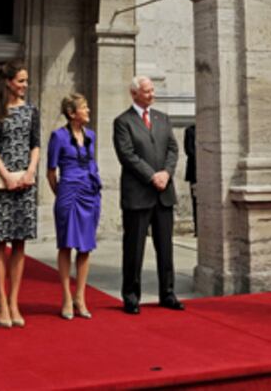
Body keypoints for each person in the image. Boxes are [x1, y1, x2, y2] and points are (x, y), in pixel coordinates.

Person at [113, 75, 184, 315]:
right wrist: (152, 176)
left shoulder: (163, 118)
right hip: (138, 194)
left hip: (163, 194)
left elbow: (173, 149)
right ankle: (131, 296)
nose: (152, 94)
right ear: (134, 94)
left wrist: (166, 173)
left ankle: (168, 293)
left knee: (165, 247)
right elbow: (127, 155)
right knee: (134, 248)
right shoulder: (123, 122)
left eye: (152, 90)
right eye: (147, 91)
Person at [0, 60, 40, 328]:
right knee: (0, 242)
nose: (25, 85)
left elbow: (35, 144)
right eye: (21, 81)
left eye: (26, 81)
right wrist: (6, 175)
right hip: (3, 182)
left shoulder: (31, 110)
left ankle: (13, 301)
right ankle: (0, 301)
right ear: (8, 82)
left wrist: (30, 171)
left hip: (26, 182)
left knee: (20, 242)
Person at [47, 93, 102, 319]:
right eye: (84, 107)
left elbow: (91, 163)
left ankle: (80, 296)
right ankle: (66, 298)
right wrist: (61, 194)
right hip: (68, 193)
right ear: (72, 113)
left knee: (85, 246)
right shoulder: (58, 137)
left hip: (90, 193)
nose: (88, 110)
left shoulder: (91, 135)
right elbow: (51, 172)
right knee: (66, 245)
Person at [184, 122, 197, 236]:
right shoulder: (190, 130)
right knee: (195, 199)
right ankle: (197, 227)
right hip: (194, 171)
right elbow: (189, 150)